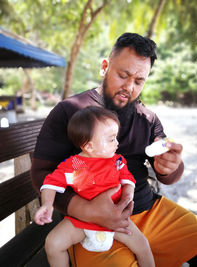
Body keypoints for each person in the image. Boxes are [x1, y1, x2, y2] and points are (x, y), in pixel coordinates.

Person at [31, 33, 197, 266]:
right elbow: (42, 173)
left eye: (139, 81)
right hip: (91, 225)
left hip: (149, 210)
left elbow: (167, 166)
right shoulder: (70, 112)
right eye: (123, 75)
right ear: (104, 67)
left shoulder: (147, 119)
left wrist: (170, 167)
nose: (129, 87)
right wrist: (87, 210)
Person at [34, 106, 155, 267]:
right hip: (83, 221)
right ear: (89, 146)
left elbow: (128, 179)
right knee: (53, 243)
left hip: (115, 220)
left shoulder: (116, 161)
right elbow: (51, 183)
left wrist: (128, 196)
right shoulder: (75, 165)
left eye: (116, 137)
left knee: (143, 245)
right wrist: (47, 204)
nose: (117, 143)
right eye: (111, 139)